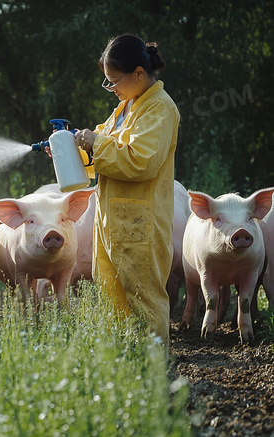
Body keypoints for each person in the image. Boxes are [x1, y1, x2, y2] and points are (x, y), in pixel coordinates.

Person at [74, 34, 179, 344]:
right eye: (107, 82)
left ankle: (151, 373)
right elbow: (101, 154)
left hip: (140, 224)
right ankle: (125, 371)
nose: (112, 88)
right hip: (112, 223)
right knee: (112, 297)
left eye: (114, 80)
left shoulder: (159, 109)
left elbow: (140, 161)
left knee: (143, 298)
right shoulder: (124, 109)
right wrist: (72, 151)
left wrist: (96, 143)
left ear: (138, 73)